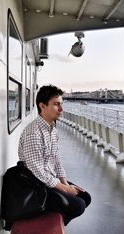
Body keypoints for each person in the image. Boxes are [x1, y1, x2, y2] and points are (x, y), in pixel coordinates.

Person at [18, 85, 91, 225]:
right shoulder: (33, 133)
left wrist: (65, 183)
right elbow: (37, 172)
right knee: (78, 205)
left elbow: (56, 161)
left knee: (85, 197)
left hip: (50, 180)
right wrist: (65, 189)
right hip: (37, 187)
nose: (61, 109)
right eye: (57, 104)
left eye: (62, 104)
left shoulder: (52, 130)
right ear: (42, 106)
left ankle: (56, 223)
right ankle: (48, 226)